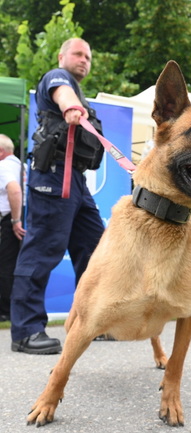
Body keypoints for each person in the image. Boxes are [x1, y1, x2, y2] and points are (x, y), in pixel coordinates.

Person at [10, 38, 106, 354]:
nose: (84, 60)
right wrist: (71, 106)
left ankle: (95, 323)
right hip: (54, 176)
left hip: (76, 180)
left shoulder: (79, 91)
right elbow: (62, 93)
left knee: (95, 249)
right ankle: (26, 332)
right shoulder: (57, 77)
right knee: (42, 251)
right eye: (78, 54)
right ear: (62, 56)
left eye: (88, 56)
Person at [0, 134, 26, 322]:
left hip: (11, 218)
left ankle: (5, 310)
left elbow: (14, 190)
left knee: (6, 265)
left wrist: (15, 220)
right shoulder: (21, 166)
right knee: (19, 264)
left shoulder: (4, 166)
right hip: (26, 214)